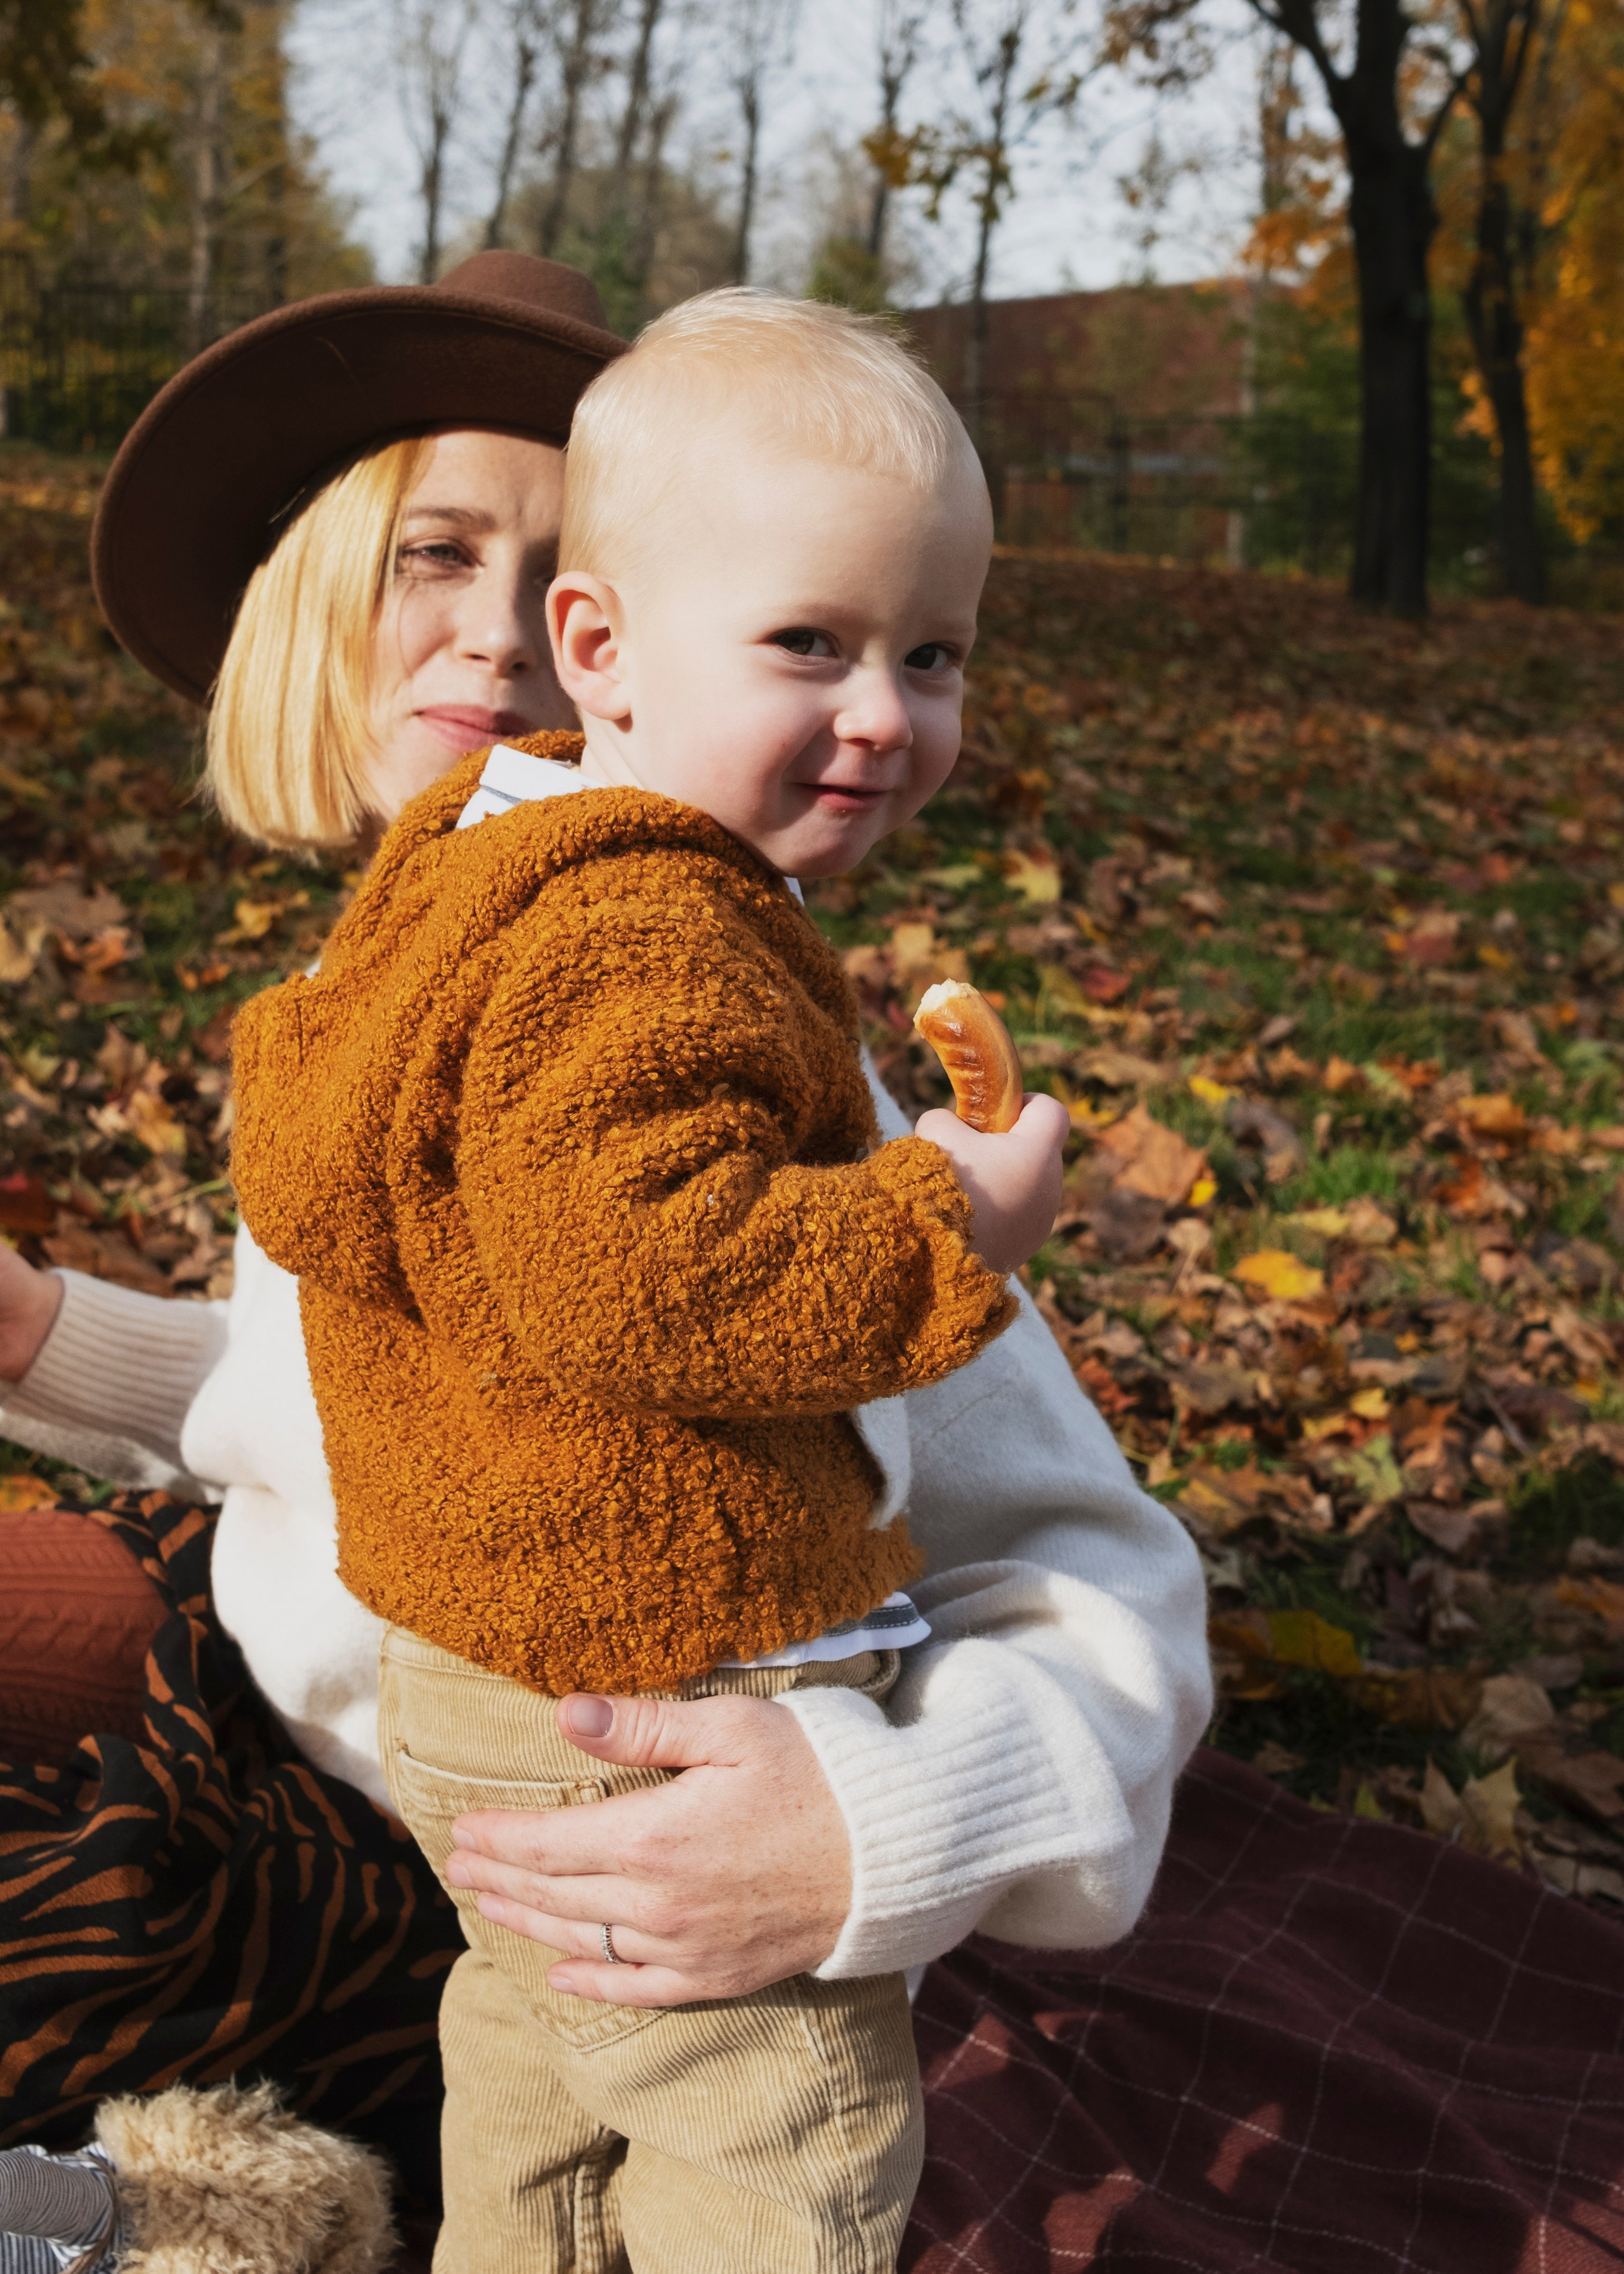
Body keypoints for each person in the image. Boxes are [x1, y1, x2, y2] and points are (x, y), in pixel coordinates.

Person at [0, 257, 1210, 2265]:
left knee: (56, 1919)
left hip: (515, 1829)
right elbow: (346, 1393)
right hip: (314, 1648)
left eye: (555, 564)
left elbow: (1107, 1590)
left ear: (633, 641)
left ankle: (212, 2209)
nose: (495, 634)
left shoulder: (732, 1061)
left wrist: (856, 1826)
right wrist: (49, 1338)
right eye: (435, 553)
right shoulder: (406, 973)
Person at [228, 289, 1075, 2274]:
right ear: (600, 654)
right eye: (815, 645)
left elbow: (490, 1281)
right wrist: (943, 1224)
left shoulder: (453, 884)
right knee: (782, 2140)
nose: (884, 711)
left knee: (535, 2079)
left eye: (931, 653)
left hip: (479, 1669)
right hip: (653, 1673)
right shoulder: (653, 928)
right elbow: (644, 1273)